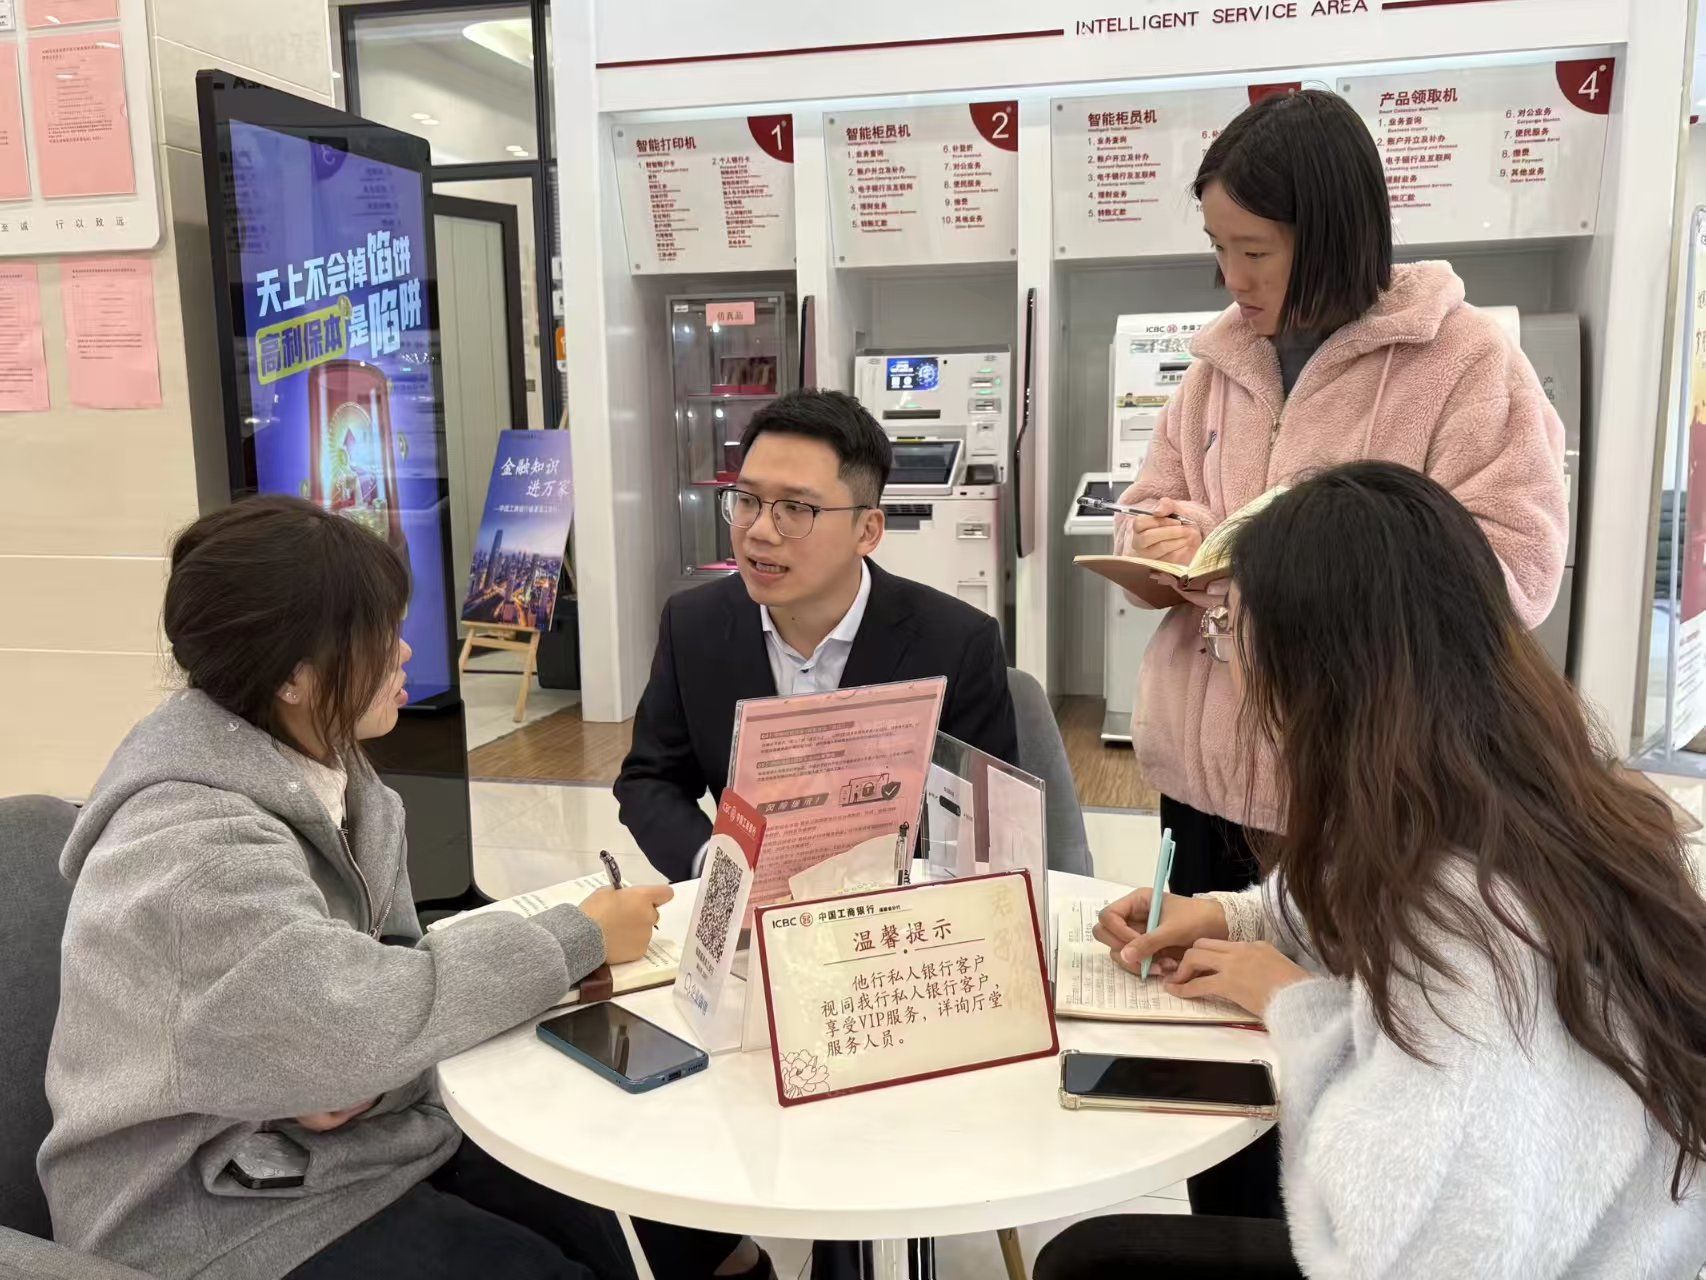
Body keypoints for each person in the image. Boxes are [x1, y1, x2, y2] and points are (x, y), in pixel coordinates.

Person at [37, 496, 774, 1280]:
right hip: (213, 1209)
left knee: (648, 1224)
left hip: (343, 1143)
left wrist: (359, 1055)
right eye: (379, 636)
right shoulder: (194, 848)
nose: (406, 651)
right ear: (292, 676)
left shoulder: (337, 776)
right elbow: (349, 1033)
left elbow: (370, 1006)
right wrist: (575, 937)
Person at [1036, 463, 1706, 1280]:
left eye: (1230, 627)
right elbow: (1352, 907)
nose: (1225, 657)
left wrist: (1291, 1002)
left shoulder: (1464, 923)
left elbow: (1409, 1246)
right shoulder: (1525, 799)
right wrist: (1229, 917)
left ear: (1318, 665)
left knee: (1090, 1263)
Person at [1110, 87, 1568, 1216]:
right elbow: (1150, 498)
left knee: (1354, 1072)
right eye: (1217, 247)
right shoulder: (1220, 361)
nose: (1232, 278)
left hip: (1360, 775)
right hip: (1207, 769)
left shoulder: (1464, 362)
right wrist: (1160, 537)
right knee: (1207, 1064)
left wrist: (1266, 557)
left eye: (1254, 250)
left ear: (1332, 231)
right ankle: (1227, 1239)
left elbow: (1512, 568)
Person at [616, 388, 1019, 883]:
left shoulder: (956, 644)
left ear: (867, 531)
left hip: (894, 909)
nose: (759, 531)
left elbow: (986, 829)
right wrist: (717, 870)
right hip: (749, 910)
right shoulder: (692, 625)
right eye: (747, 500)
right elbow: (650, 779)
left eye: (796, 508)